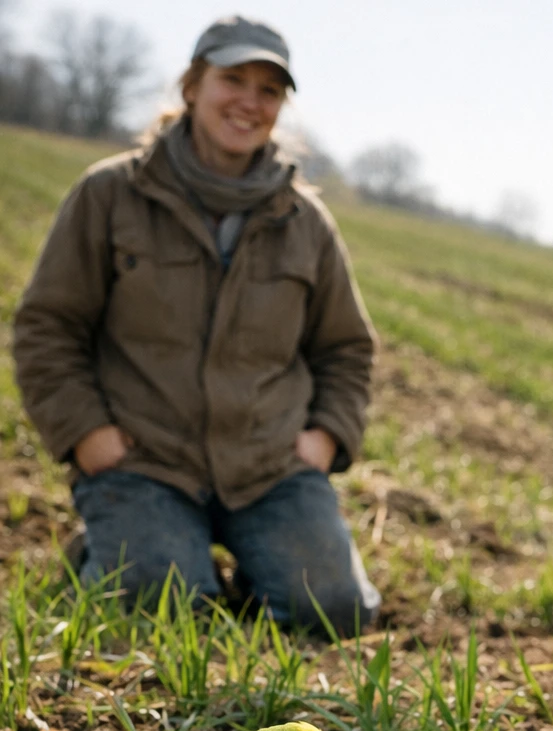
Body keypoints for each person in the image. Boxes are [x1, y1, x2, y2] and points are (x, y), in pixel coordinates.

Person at [14, 15, 380, 636]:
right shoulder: (109, 194)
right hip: (144, 459)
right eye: (232, 79)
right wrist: (87, 435)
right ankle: (106, 554)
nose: (249, 101)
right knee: (167, 611)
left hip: (270, 466)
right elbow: (47, 327)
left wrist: (324, 440)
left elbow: (347, 349)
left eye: (269, 90)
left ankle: (236, 567)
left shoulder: (307, 222)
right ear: (191, 86)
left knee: (335, 613)